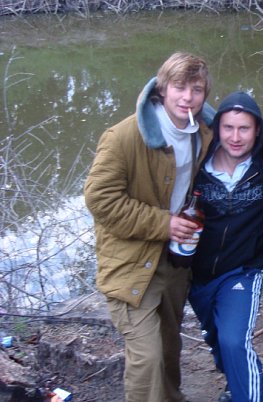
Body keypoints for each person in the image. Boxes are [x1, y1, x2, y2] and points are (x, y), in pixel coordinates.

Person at [84, 52, 215, 402]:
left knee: (169, 348)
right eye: (179, 87)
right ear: (162, 88)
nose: (187, 97)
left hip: (174, 261)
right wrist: (164, 224)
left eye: (197, 89)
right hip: (130, 262)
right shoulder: (123, 137)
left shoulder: (205, 131)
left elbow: (254, 135)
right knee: (148, 357)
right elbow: (100, 200)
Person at [187, 91, 263, 402]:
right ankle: (235, 383)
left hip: (243, 271)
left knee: (234, 340)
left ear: (257, 130)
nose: (235, 137)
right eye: (228, 128)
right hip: (196, 273)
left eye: (244, 128)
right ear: (217, 128)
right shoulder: (197, 162)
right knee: (217, 338)